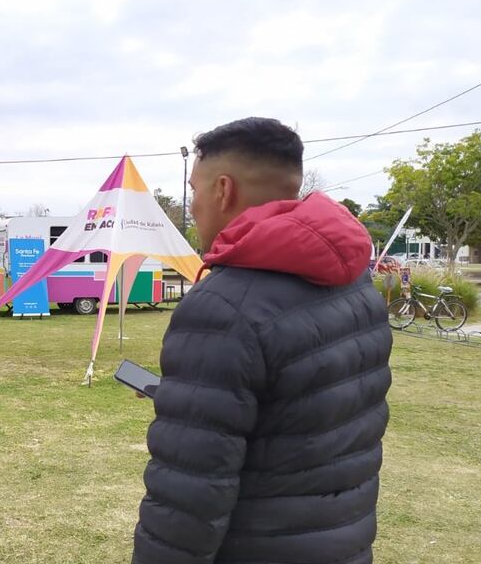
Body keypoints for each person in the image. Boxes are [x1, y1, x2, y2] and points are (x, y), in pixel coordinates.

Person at [132, 118, 392, 564]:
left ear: (223, 190)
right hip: (343, 541)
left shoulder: (225, 305)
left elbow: (190, 493)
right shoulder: (355, 284)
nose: (192, 206)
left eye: (194, 190)